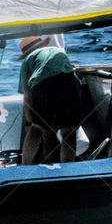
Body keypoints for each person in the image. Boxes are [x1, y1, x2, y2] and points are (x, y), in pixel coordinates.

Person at [17, 35, 83, 165]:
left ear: (26, 52)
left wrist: (29, 119)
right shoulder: (57, 50)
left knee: (36, 129)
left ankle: (25, 165)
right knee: (68, 132)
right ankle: (68, 168)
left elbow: (27, 95)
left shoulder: (27, 61)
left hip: (44, 86)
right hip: (69, 84)